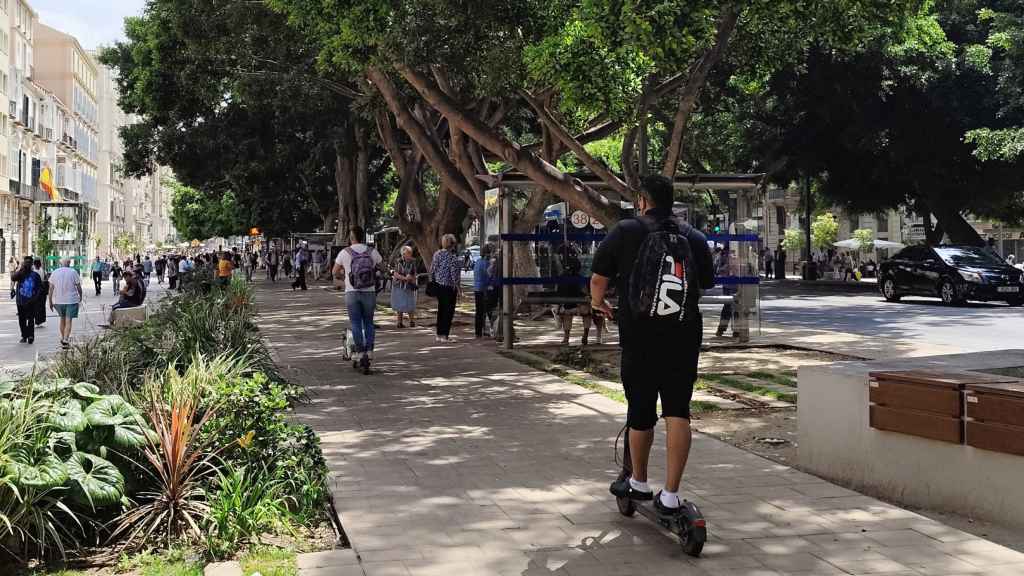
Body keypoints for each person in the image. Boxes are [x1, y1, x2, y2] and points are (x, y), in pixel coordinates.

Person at [590, 174, 714, 517]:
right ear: (671, 201)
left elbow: (599, 277)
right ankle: (672, 494)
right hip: (683, 336)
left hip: (640, 336)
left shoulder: (626, 231)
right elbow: (703, 284)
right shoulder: (694, 237)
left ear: (642, 200)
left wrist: (597, 302)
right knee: (678, 411)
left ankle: (639, 482)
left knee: (640, 411)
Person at [333, 226, 383, 373]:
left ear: (352, 236)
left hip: (352, 292)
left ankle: (360, 352)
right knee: (369, 322)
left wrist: (346, 278)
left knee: (355, 323)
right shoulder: (372, 251)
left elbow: (334, 272)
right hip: (369, 292)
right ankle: (370, 351)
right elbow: (383, 267)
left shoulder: (345, 252)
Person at [430, 234, 462, 342]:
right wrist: (458, 287)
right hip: (449, 287)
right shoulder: (452, 257)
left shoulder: (437, 254)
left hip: (439, 286)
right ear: (452, 244)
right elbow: (454, 274)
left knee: (441, 310)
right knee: (448, 312)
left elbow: (432, 270)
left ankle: (439, 334)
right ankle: (445, 335)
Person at [48, 259, 83, 348]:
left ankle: (63, 337)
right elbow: (78, 286)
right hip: (71, 300)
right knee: (68, 321)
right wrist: (80, 296)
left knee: (62, 319)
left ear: (60, 264)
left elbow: (51, 288)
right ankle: (66, 339)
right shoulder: (73, 272)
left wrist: (50, 301)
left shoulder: (55, 272)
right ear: (69, 263)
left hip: (58, 301)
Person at [11, 256, 43, 344]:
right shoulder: (21, 274)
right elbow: (13, 278)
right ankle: (24, 336)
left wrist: (35, 299)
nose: (27, 264)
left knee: (30, 319)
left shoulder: (35, 275)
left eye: (29, 262)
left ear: (32, 264)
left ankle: (30, 335)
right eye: (26, 262)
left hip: (31, 302)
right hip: (21, 301)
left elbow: (40, 289)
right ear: (24, 264)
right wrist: (21, 269)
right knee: (22, 320)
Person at [391, 245, 418, 328]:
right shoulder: (398, 261)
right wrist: (404, 278)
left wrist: (411, 277)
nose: (409, 255)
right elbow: (394, 273)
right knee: (400, 303)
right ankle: (399, 322)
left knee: (410, 303)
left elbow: (414, 272)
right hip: (399, 285)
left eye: (410, 253)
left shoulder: (413, 261)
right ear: (403, 254)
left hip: (409, 285)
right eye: (407, 253)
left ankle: (412, 321)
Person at [715, 246, 736, 338]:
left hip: (734, 285)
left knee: (734, 307)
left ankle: (736, 329)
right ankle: (723, 328)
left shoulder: (735, 257)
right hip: (728, 285)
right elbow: (718, 270)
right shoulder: (723, 258)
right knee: (729, 307)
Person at [473, 244, 493, 338]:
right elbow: (489, 276)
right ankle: (490, 330)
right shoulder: (487, 263)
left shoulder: (477, 261)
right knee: (487, 310)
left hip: (476, 288)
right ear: (487, 253)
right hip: (484, 289)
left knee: (479, 311)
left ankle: (478, 332)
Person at [33, 258, 48, 328]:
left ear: (34, 264)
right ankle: (41, 320)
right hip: (43, 290)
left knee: (36, 306)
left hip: (36, 290)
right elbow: (45, 278)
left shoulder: (34, 271)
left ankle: (37, 320)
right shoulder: (42, 270)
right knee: (42, 305)